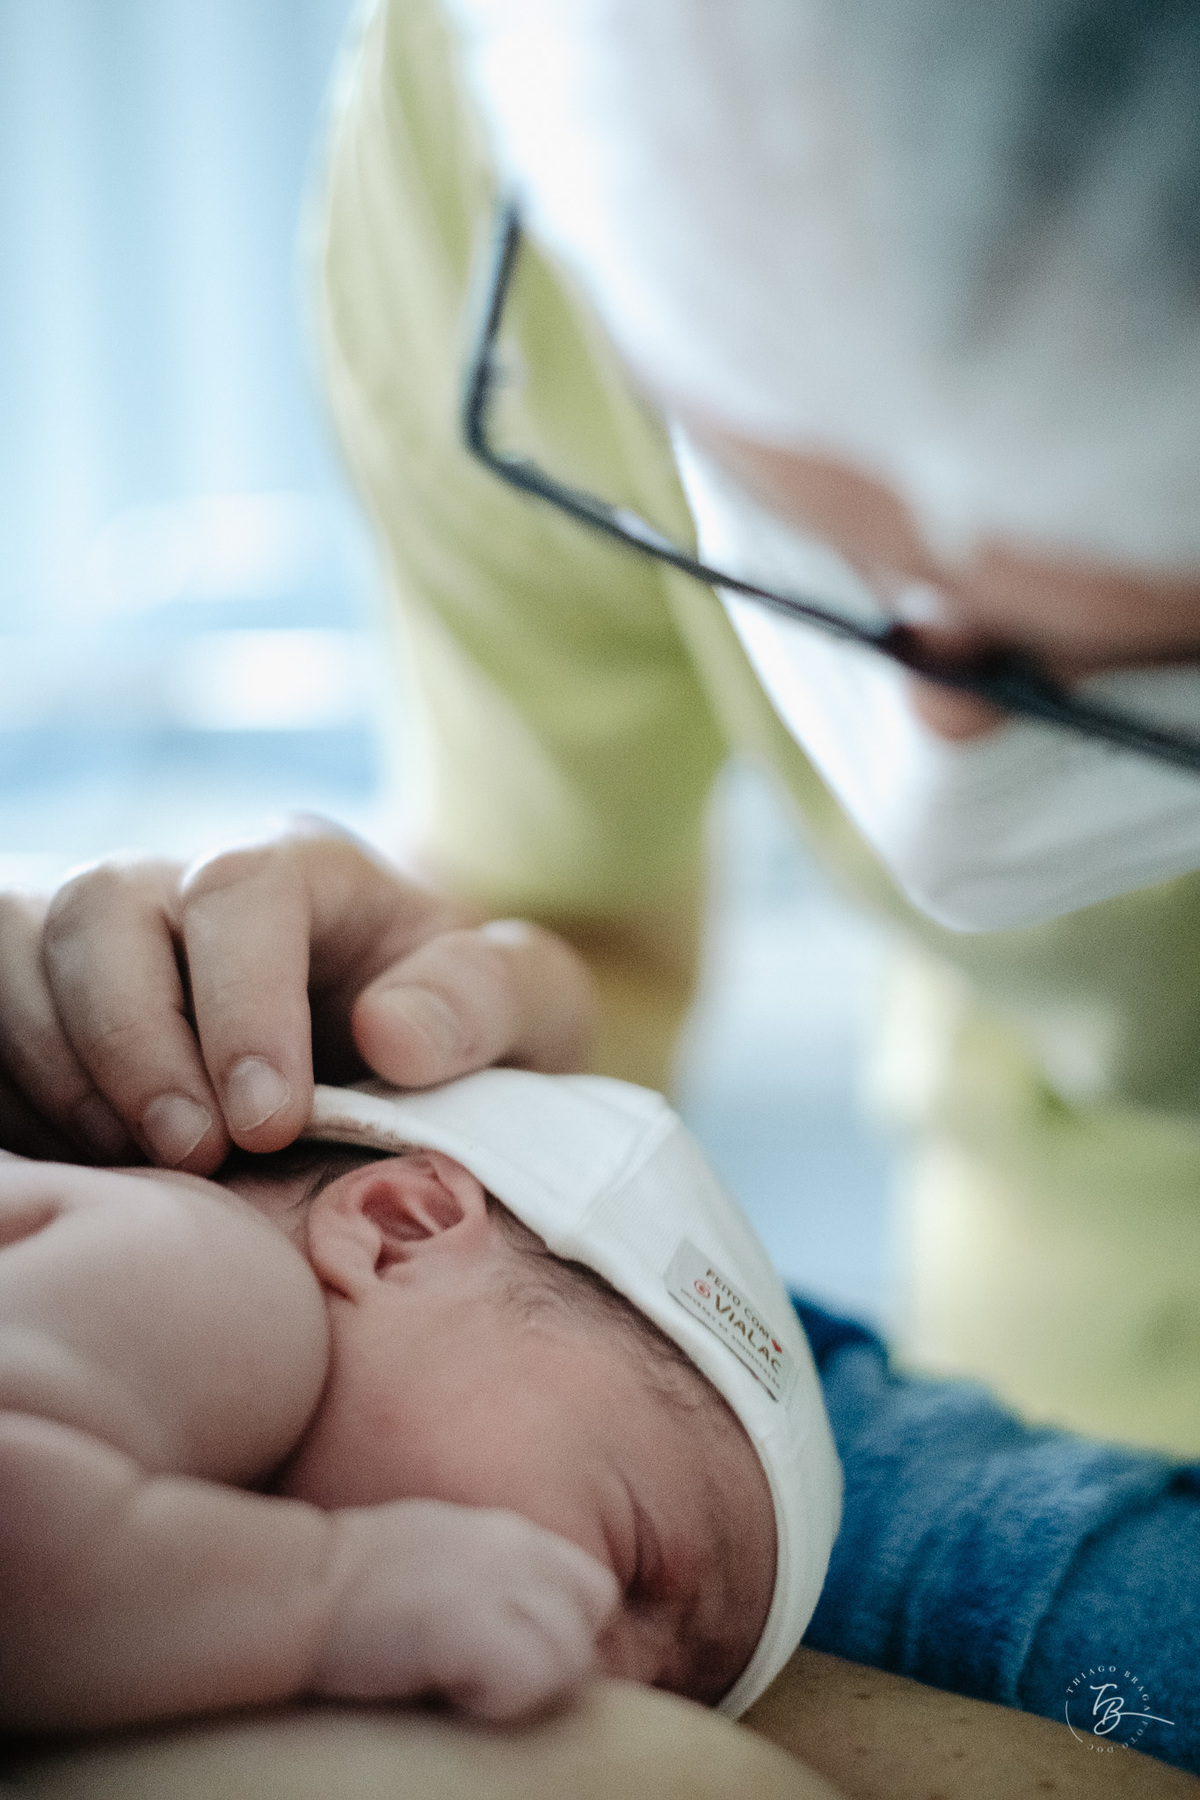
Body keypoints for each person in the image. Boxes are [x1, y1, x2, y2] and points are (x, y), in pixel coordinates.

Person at [1, 1067, 840, 1733]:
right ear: (400, 1229)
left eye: (668, 1703)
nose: (604, 1683)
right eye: (633, 1560)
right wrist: (331, 1591)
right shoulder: (220, 1275)